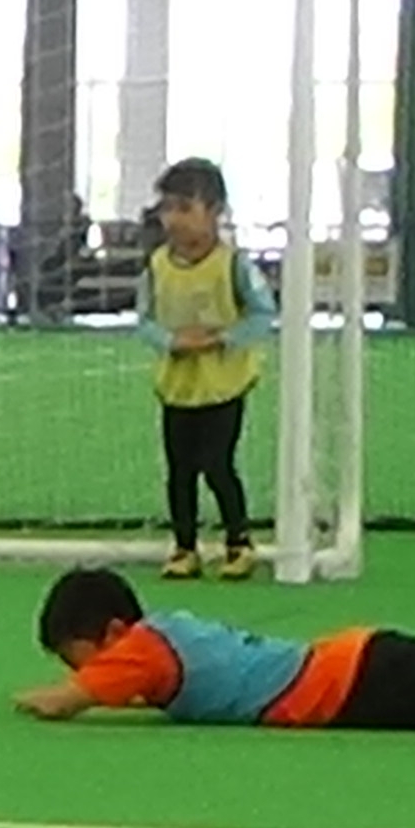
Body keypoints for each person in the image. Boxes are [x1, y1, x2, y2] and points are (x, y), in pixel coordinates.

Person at [17, 566, 415, 732]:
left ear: (113, 633)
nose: (82, 671)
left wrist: (42, 698)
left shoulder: (138, 650)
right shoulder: (160, 638)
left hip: (360, 680)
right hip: (363, 665)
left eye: (78, 655)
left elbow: (66, 701)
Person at [138, 156, 273, 581]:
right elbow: (144, 319)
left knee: (217, 463)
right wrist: (171, 342)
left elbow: (262, 313)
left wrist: (222, 339)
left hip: (223, 384)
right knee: (179, 469)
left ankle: (239, 542)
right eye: (167, 208)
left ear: (215, 211)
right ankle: (184, 547)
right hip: (177, 385)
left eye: (185, 207)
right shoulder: (156, 265)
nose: (174, 219)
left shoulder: (234, 265)